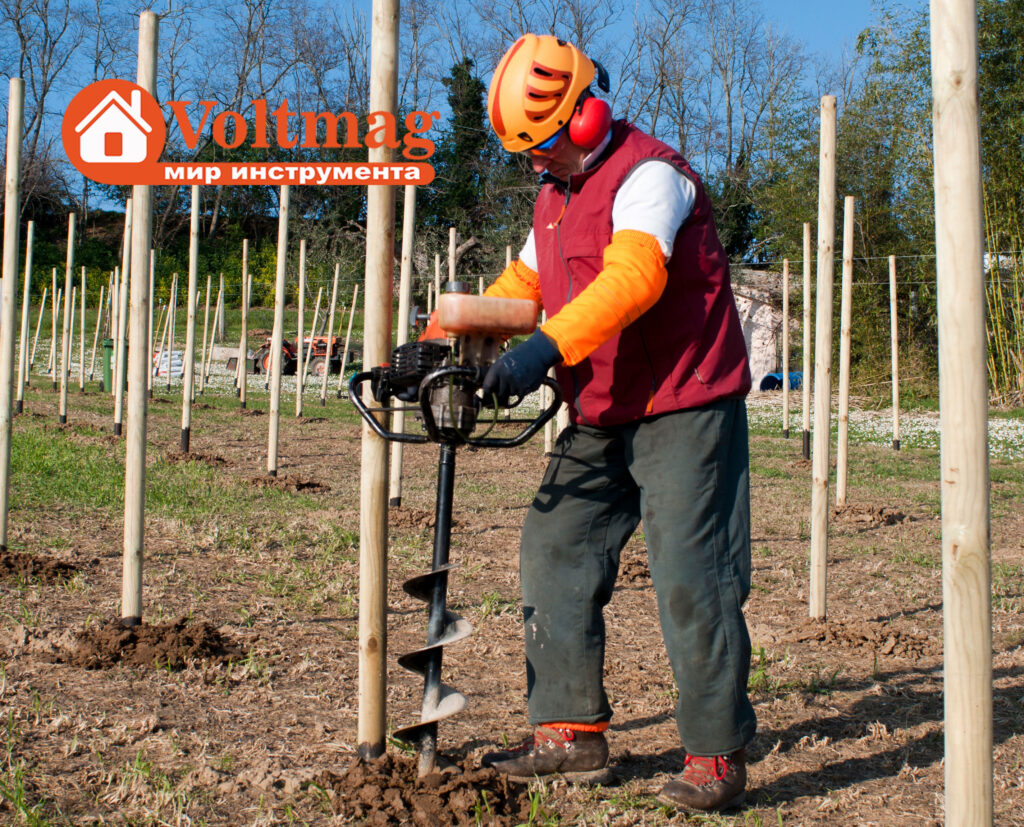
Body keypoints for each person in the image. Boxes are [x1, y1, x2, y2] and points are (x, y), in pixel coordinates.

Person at [476, 34, 757, 813]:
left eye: (548, 145)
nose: (539, 163)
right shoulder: (554, 195)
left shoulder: (650, 177)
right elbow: (524, 282)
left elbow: (633, 278)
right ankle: (570, 730)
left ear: (591, 115)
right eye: (527, 154)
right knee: (555, 542)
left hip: (684, 401)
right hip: (603, 406)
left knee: (691, 574)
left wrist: (544, 349)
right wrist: (449, 338)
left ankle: (716, 752)